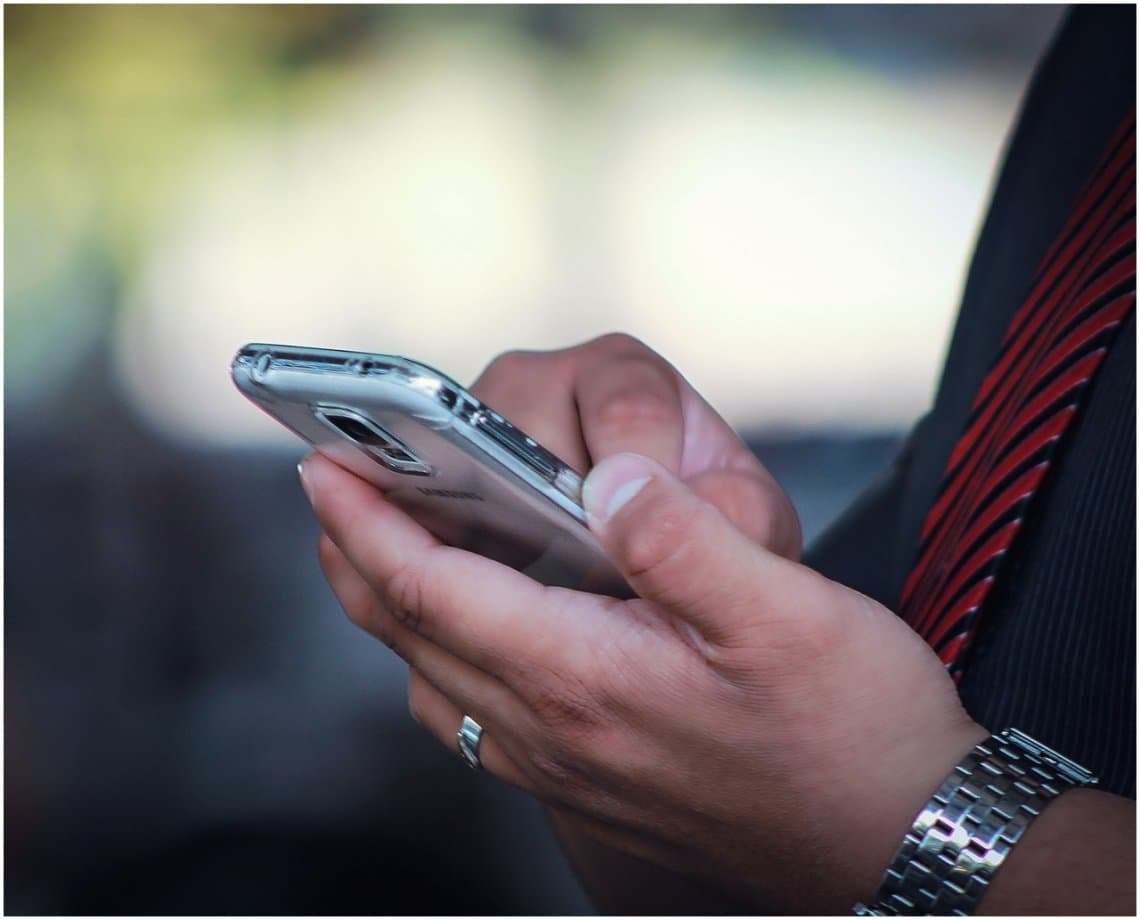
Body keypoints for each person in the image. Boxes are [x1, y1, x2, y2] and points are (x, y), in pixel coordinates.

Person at [299, 7, 1134, 915]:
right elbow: (757, 859)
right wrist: (631, 714)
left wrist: (904, 820)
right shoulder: (1102, 63)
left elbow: (847, 826)